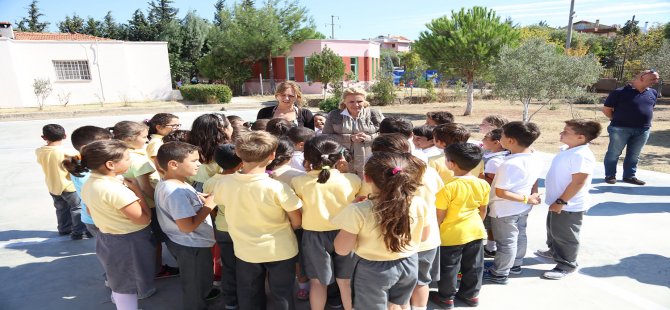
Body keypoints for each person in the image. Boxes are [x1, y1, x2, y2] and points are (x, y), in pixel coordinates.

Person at [212, 131, 302, 310]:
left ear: (238, 153)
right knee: (282, 294)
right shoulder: (277, 187)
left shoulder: (223, 183)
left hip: (245, 250)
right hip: (281, 249)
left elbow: (221, 204)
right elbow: (297, 221)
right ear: (272, 155)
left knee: (249, 294)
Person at [332, 152, 430, 309]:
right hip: (408, 263)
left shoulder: (358, 210)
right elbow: (424, 236)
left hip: (372, 270)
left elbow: (342, 249)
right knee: (399, 304)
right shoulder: (419, 202)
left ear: (367, 177)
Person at [67, 140, 154, 310]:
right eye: (127, 158)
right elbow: (144, 219)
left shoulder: (90, 182)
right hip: (129, 241)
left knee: (119, 277)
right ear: (110, 164)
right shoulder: (116, 190)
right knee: (128, 282)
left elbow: (91, 212)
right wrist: (137, 192)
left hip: (107, 236)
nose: (130, 161)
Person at [290, 136, 360, 310]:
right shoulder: (352, 180)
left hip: (314, 236)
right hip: (347, 233)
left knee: (317, 282)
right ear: (340, 157)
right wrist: (347, 170)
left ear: (307, 158)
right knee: (346, 281)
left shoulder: (298, 182)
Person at [154, 142, 219, 310]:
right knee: (195, 283)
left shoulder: (174, 182)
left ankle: (203, 296)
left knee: (200, 277)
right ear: (173, 164)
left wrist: (199, 196)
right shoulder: (176, 193)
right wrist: (208, 206)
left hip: (185, 242)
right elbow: (187, 227)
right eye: (194, 161)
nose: (199, 164)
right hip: (191, 245)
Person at [110, 121, 177, 279]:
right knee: (157, 240)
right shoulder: (138, 160)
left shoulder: (118, 155)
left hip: (135, 203)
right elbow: (146, 188)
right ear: (128, 139)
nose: (146, 140)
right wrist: (164, 201)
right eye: (144, 137)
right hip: (150, 205)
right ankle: (156, 269)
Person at [536, 119, 602, 280]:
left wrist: (561, 202)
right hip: (559, 202)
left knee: (565, 236)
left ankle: (566, 264)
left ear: (580, 137)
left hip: (569, 205)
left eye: (566, 132)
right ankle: (554, 252)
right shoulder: (570, 149)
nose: (561, 133)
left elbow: (579, 181)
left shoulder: (582, 155)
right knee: (553, 230)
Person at [484, 122, 543, 285]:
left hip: (505, 209)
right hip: (522, 207)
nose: (499, 138)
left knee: (506, 242)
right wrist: (532, 196)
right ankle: (515, 265)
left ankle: (500, 273)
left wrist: (527, 198)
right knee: (520, 236)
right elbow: (535, 180)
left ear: (510, 141)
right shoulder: (535, 157)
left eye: (501, 136)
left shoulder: (509, 164)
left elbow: (501, 192)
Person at [432, 143, 490, 309]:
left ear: (451, 164)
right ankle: (471, 296)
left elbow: (440, 215)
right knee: (474, 265)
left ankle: (446, 298)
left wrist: (436, 230)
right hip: (476, 230)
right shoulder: (483, 184)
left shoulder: (447, 187)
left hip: (451, 234)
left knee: (449, 267)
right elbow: (483, 210)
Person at [602, 69, 660, 185]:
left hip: (643, 130)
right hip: (620, 128)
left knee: (634, 155)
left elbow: (650, 108)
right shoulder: (619, 92)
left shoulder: (653, 93)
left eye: (656, 79)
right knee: (614, 153)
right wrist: (614, 119)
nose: (655, 81)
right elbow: (607, 109)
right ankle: (610, 175)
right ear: (642, 78)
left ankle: (629, 176)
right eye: (653, 79)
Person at [204, 144, 243, 309]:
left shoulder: (210, 182)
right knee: (247, 266)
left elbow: (211, 208)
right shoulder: (243, 180)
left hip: (222, 228)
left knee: (228, 266)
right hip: (243, 229)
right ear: (241, 163)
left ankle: (231, 302)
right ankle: (248, 298)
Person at [36, 124, 89, 239]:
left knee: (61, 208)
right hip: (69, 186)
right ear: (65, 136)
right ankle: (79, 232)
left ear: (44, 137)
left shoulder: (39, 151)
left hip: (53, 186)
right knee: (77, 208)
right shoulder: (67, 152)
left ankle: (64, 228)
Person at [322, 87, 384, 177]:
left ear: (364, 101)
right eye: (351, 102)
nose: (356, 105)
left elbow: (386, 134)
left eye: (359, 101)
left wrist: (368, 138)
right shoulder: (334, 115)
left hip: (369, 161)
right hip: (342, 161)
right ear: (344, 102)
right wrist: (349, 138)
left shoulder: (374, 114)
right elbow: (325, 137)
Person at [67, 126, 114, 237]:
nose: (111, 148)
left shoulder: (84, 164)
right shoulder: (85, 170)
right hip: (99, 218)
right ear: (85, 148)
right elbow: (96, 195)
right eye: (106, 145)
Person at [480, 128, 509, 257]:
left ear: (497, 142)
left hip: (491, 197)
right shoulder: (496, 155)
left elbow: (490, 181)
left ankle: (491, 247)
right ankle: (491, 246)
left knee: (490, 224)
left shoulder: (494, 161)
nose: (482, 140)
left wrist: (480, 176)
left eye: (486, 138)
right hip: (495, 197)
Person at [188, 113, 234, 191]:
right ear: (223, 130)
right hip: (221, 189)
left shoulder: (189, 149)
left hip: (196, 188)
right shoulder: (226, 151)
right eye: (230, 125)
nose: (232, 128)